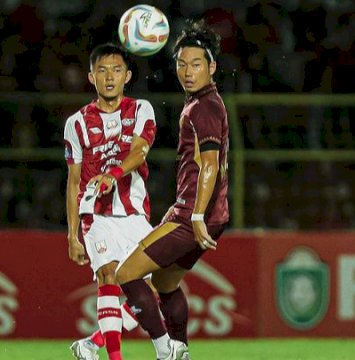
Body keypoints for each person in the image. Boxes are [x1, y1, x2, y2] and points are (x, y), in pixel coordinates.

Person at [95, 20, 229, 360]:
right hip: (211, 214)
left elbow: (210, 164)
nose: (187, 71)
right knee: (166, 285)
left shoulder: (203, 107)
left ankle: (165, 350)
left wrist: (196, 215)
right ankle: (180, 350)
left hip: (192, 215)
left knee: (126, 273)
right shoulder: (204, 102)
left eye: (196, 64)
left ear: (212, 67)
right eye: (182, 64)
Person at [64, 43, 157, 360]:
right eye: (102, 70)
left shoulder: (141, 110)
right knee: (109, 275)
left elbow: (140, 150)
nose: (109, 77)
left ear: (127, 76)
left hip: (134, 214)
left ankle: (92, 344)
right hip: (97, 216)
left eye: (116, 70)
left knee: (151, 295)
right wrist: (72, 234)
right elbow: (74, 181)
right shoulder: (76, 123)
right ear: (91, 77)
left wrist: (113, 174)